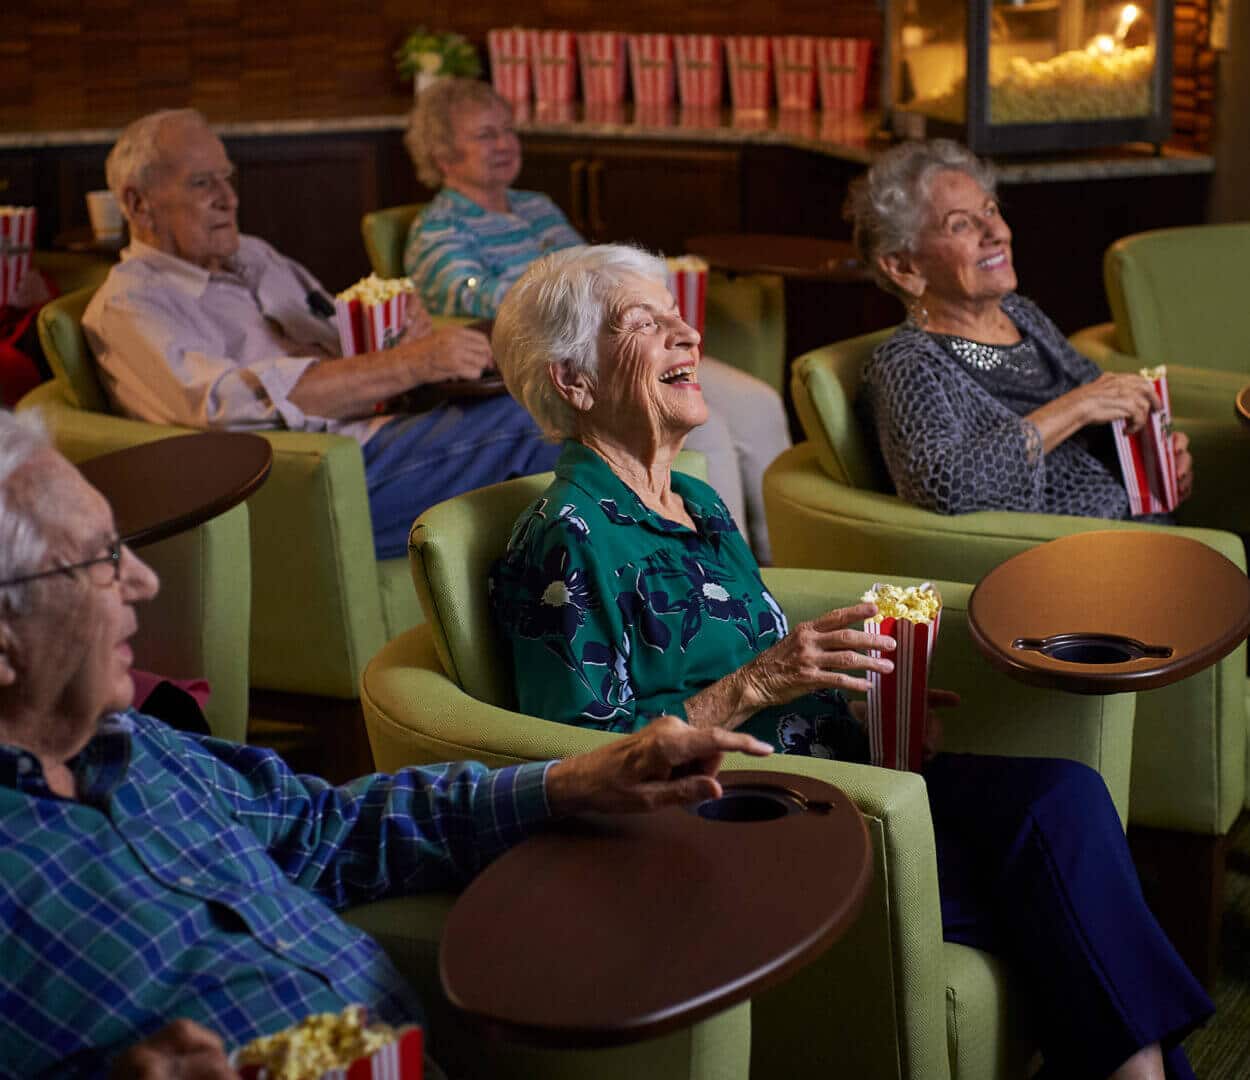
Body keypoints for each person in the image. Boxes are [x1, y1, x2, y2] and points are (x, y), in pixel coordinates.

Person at [487, 244, 1212, 1080]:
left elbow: (764, 664)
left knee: (1063, 795)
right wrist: (761, 682)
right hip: (749, 821)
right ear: (574, 382)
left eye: (674, 313)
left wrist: (868, 703)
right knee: (1059, 909)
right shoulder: (564, 540)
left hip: (844, 774)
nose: (689, 331)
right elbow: (582, 768)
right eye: (646, 324)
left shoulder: (696, 500)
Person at [0, 409, 772, 1077]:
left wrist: (570, 780)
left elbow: (325, 829)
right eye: (101, 561)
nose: (143, 582)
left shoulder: (140, 746)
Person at [83, 108, 563, 562]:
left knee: (556, 389)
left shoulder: (253, 255)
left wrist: (401, 336)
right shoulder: (131, 305)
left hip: (387, 431)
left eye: (228, 178)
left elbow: (341, 339)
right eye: (202, 183)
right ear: (137, 204)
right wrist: (414, 363)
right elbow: (228, 410)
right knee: (540, 420)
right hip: (314, 478)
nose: (228, 198)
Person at [402, 78, 790, 561]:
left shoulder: (535, 207)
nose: (504, 143)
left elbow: (594, 272)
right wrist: (582, 302)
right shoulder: (439, 229)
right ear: (443, 154)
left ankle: (784, 566)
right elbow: (483, 304)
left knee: (758, 404)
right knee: (700, 427)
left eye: (507, 130)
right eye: (485, 135)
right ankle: (725, 571)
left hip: (621, 339)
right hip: (579, 363)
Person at [845, 138, 1193, 519]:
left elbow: (1103, 406)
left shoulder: (1020, 314)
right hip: (1063, 557)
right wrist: (1075, 408)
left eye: (990, 210)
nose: (995, 232)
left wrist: (1155, 454)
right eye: (960, 224)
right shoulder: (907, 365)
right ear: (903, 267)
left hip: (1143, 532)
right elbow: (944, 486)